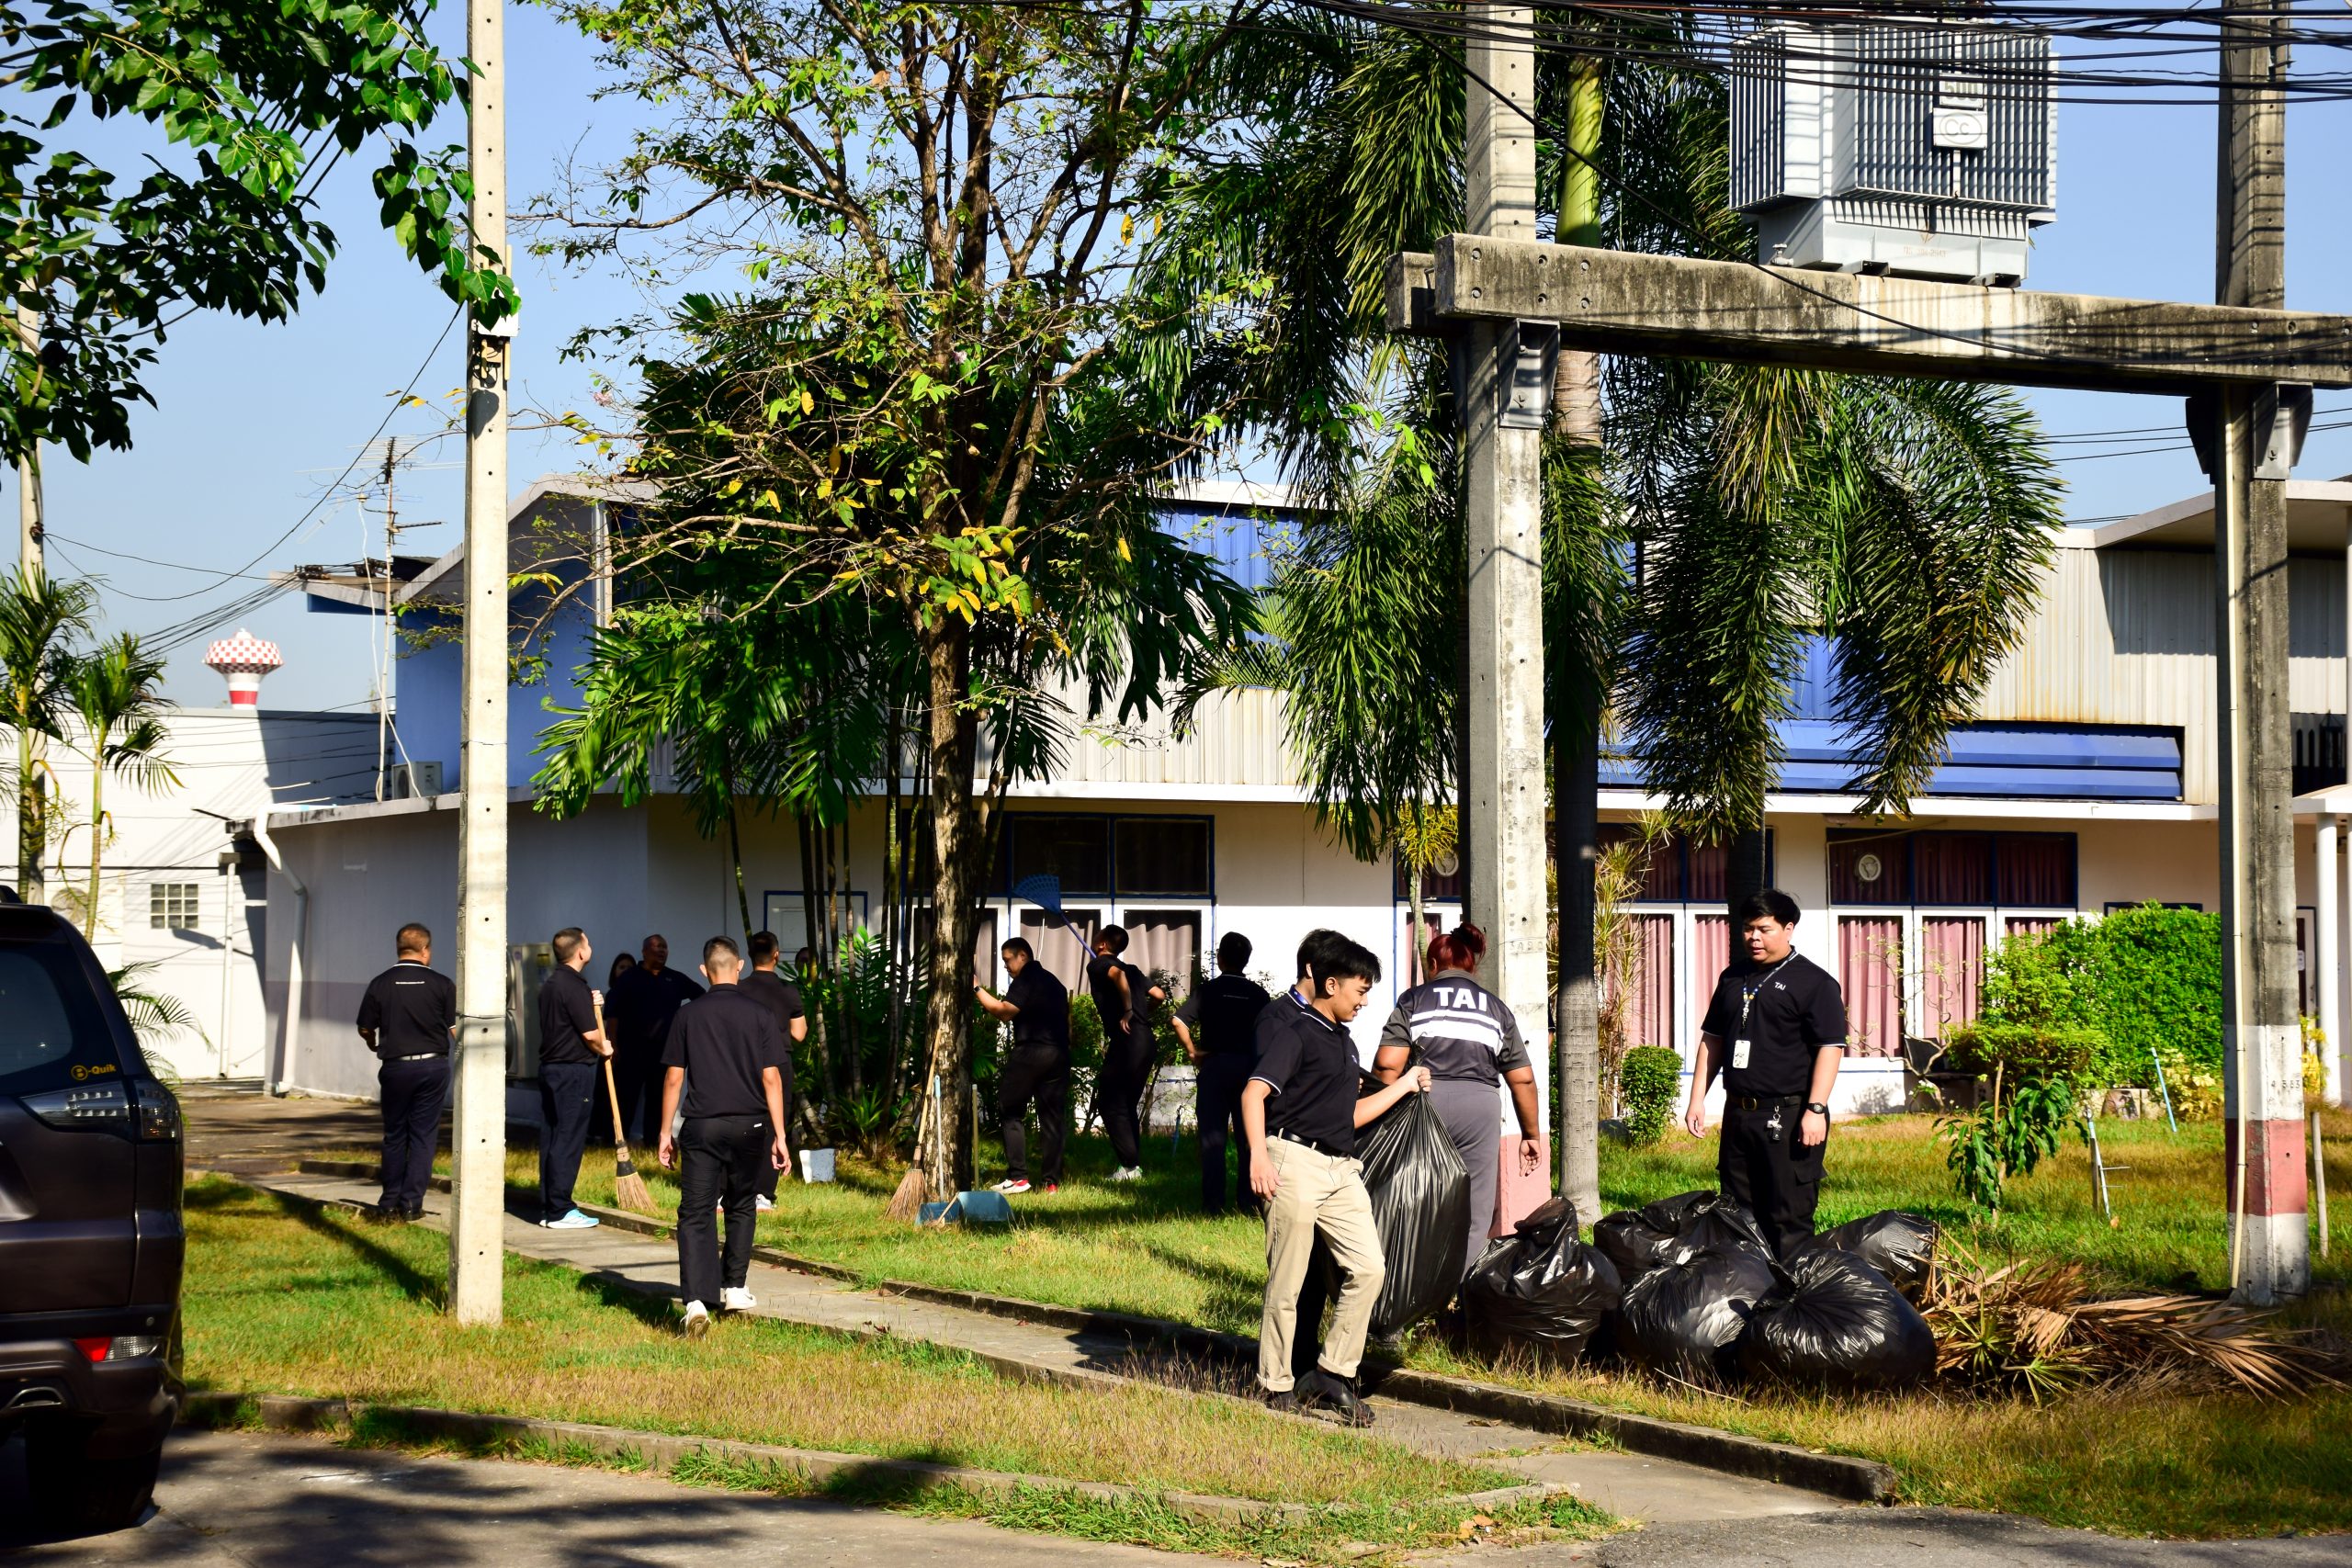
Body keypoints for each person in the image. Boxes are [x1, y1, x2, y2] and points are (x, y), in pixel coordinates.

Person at [1244, 929, 1431, 1427]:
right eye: (1360, 990)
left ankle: (1331, 1372)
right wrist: (1259, 1157)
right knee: (1288, 1281)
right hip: (1292, 1161)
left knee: (1369, 1268)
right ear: (1331, 984)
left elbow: (1348, 1115)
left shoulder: (1343, 1042)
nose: (1364, 1001)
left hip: (1341, 1168)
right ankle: (1275, 1382)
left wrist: (1405, 1086)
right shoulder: (1294, 1031)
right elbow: (1253, 1093)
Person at [1684, 889, 1848, 1258]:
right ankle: (1749, 1285)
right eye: (1747, 929)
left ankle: (1792, 1290)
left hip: (1789, 1115)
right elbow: (1713, 1040)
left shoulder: (1815, 983)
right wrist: (1697, 1099)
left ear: (1788, 929)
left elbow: (1831, 1048)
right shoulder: (1732, 978)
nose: (1753, 937)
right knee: (1738, 1212)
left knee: (1787, 1216)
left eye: (1764, 929)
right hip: (1739, 1114)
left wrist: (1816, 1109)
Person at [1373, 923, 1542, 1276]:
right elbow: (1523, 1078)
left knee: (1415, 1196)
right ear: (1471, 966)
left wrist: (1378, 1112)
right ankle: (1460, 1289)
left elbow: (1388, 1064)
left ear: (1433, 965)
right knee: (1475, 1209)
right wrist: (1531, 1135)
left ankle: (1412, 1285)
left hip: (1424, 1103)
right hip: (1480, 1108)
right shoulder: (1496, 1009)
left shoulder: (1414, 1000)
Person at [658, 936, 791, 1338]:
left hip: (702, 1125)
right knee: (741, 1203)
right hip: (750, 1125)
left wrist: (665, 1132)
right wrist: (780, 1135)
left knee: (695, 1211)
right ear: (739, 967)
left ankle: (697, 1301)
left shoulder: (688, 1015)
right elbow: (772, 1078)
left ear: (704, 970)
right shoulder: (760, 1015)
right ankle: (734, 1287)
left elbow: (673, 1078)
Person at [354, 922, 457, 1223]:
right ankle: (412, 1203)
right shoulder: (442, 984)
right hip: (432, 1067)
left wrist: (372, 1042)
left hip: (396, 1067)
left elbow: (365, 1027)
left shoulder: (380, 983)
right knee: (423, 1135)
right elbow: (455, 1030)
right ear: (425, 950)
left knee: (395, 1134)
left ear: (399, 948)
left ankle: (388, 1202)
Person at [1170, 931, 1272, 1214]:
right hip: (1249, 1071)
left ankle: (1213, 1204)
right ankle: (1248, 1201)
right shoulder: (1259, 995)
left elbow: (1178, 1021)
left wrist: (1193, 1052)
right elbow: (1271, 1032)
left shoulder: (1208, 990)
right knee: (1249, 1136)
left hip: (1215, 1066)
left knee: (1212, 1138)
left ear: (1220, 958)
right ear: (1246, 960)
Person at [977, 937, 1071, 1195]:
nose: (1005, 966)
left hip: (1031, 1052)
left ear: (1023, 956)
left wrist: (976, 988)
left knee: (1009, 1109)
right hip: (1059, 1054)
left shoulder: (1026, 979)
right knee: (1052, 1118)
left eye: (1007, 960)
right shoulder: (1055, 982)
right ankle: (1051, 1183)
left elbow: (1004, 1011)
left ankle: (1018, 1178)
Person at [537, 927, 609, 1230]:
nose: (590, 946)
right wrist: (605, 1046)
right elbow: (590, 1034)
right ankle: (561, 1209)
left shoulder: (552, 983)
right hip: (573, 1071)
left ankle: (549, 1205)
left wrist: (593, 1006)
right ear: (580, 951)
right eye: (587, 942)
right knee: (568, 1138)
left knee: (553, 1137)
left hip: (551, 1068)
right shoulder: (574, 985)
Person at [605, 933, 705, 1147]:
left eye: (664, 947)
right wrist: (613, 1043)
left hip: (663, 1051)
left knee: (657, 1098)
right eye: (657, 946)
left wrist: (686, 1021)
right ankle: (618, 1141)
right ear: (644, 952)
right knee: (626, 1097)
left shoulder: (675, 978)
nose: (661, 950)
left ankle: (652, 1142)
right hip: (631, 1050)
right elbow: (612, 1013)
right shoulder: (629, 978)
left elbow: (702, 997)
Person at [738, 931, 808, 1211]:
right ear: (776, 956)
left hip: (743, 1061)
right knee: (773, 1125)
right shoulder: (788, 991)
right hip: (778, 1063)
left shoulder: (739, 988)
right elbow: (799, 1033)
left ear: (750, 955)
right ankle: (763, 1193)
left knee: (739, 1120)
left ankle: (731, 1185)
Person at [1087, 925, 1156, 1182]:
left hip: (1127, 1040)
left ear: (1102, 944)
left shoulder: (1098, 965)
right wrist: (1141, 1015)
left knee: (1110, 1102)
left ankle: (1129, 1166)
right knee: (1126, 1104)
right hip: (1145, 1039)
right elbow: (1158, 994)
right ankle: (1132, 1167)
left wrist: (1128, 1011)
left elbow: (1117, 975)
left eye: (1098, 935)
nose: (1094, 937)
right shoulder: (1134, 970)